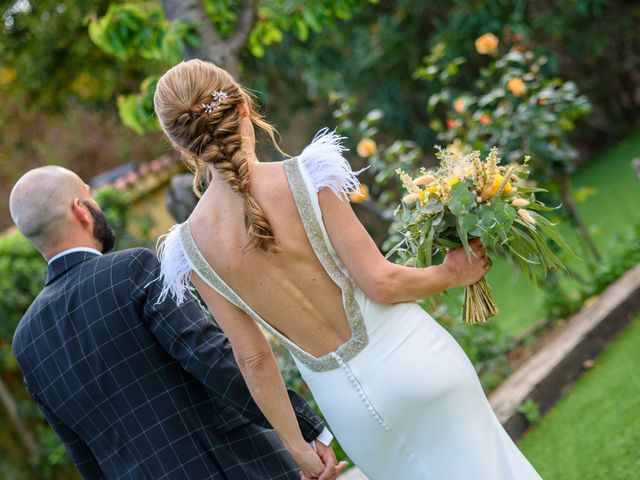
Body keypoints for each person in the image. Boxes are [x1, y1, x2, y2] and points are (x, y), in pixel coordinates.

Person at [154, 59, 543, 479]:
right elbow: (381, 282)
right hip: (417, 364)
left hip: (353, 416)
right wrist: (453, 274)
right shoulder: (309, 174)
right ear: (245, 105)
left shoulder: (189, 250)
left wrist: (297, 446)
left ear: (181, 149)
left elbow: (253, 360)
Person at [9, 166, 344, 480]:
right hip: (230, 466)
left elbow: (82, 454)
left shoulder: (25, 342)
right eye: (91, 197)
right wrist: (301, 430)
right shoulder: (129, 271)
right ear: (81, 209)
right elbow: (212, 358)